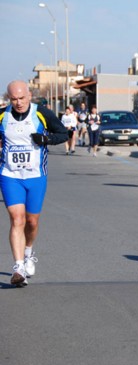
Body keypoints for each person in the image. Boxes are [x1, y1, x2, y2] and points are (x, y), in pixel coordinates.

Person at [1, 80, 68, 287]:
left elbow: (63, 134)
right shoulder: (2, 116)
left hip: (36, 176)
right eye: (14, 99)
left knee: (31, 222)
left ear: (29, 95)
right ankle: (19, 267)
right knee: (17, 219)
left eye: (22, 98)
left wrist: (46, 139)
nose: (18, 103)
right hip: (10, 175)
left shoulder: (42, 113)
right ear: (8, 99)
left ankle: (28, 252)